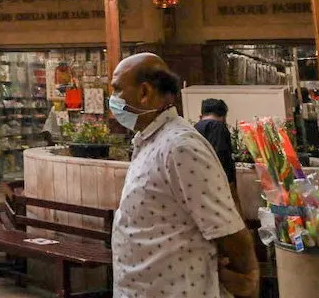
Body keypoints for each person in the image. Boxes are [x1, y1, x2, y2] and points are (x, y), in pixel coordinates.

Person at [109, 53, 258, 298]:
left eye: (117, 90)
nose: (112, 100)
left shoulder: (180, 147)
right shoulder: (149, 142)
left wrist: (249, 279)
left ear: (144, 92)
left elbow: (227, 230)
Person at [194, 98, 243, 214]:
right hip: (218, 182)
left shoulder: (195, 128)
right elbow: (222, 155)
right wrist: (230, 183)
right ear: (224, 116)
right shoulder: (218, 127)